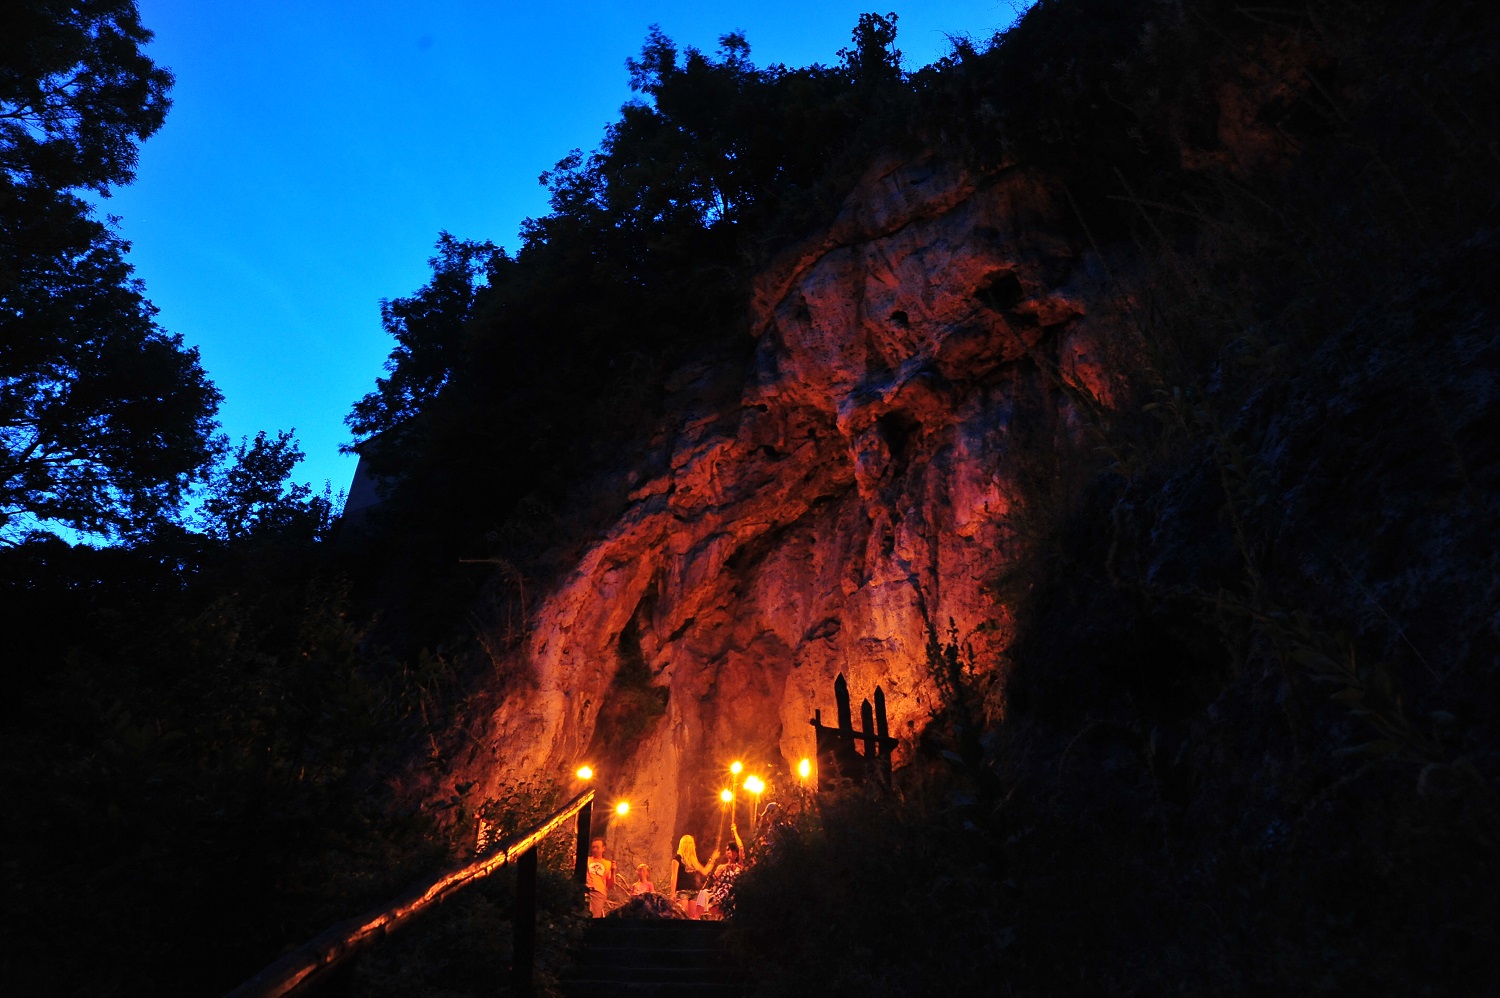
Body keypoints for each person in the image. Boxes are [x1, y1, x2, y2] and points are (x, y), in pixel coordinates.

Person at [671, 834, 717, 919]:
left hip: (694, 891)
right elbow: (674, 876)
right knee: (683, 916)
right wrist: (673, 893)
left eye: (690, 843)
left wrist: (713, 859)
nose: (689, 845)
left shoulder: (694, 861)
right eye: (687, 843)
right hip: (682, 890)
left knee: (693, 918)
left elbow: (705, 871)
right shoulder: (677, 859)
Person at [705, 822, 746, 918]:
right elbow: (712, 881)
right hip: (720, 897)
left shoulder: (739, 866)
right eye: (727, 849)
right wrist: (717, 873)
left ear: (736, 853)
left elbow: (741, 848)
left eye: (731, 850)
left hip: (734, 897)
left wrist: (735, 832)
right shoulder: (721, 867)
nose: (729, 851)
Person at [585, 838, 614, 918]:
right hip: (586, 890)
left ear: (603, 848)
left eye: (597, 847)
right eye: (593, 847)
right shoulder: (587, 860)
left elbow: (610, 885)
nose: (594, 849)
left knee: (594, 917)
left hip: (599, 892)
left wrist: (613, 871)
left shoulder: (607, 864)